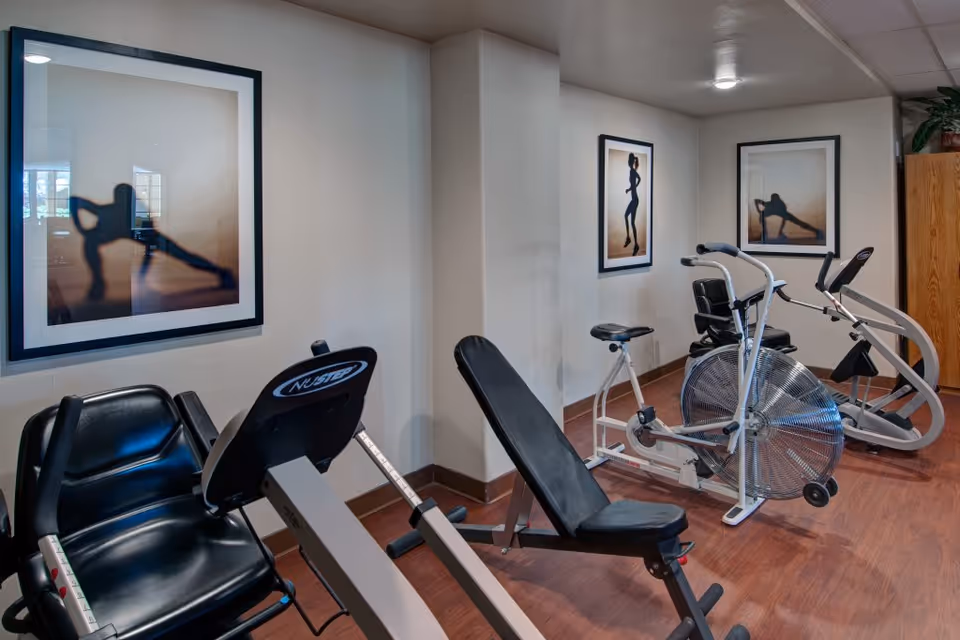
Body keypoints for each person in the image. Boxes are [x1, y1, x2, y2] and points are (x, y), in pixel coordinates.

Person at [69, 183, 235, 301]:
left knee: (185, 256)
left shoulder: (139, 217)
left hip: (141, 234)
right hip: (115, 233)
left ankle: (221, 272)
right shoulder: (108, 212)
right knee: (90, 242)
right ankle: (98, 281)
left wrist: (142, 275)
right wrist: (81, 229)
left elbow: (150, 246)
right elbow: (74, 201)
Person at [753, 193, 824, 242]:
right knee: (762, 217)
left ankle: (817, 231)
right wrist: (759, 210)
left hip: (783, 213)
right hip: (771, 213)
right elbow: (756, 200)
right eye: (773, 200)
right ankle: (764, 234)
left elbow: (784, 219)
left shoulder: (781, 205)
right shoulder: (769, 204)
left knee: (799, 223)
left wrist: (781, 231)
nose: (774, 201)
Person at [623, 153, 642, 256]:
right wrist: (629, 189)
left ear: (630, 162)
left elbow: (638, 180)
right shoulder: (633, 171)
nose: (628, 162)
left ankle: (629, 239)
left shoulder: (632, 171)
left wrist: (632, 188)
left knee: (627, 218)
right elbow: (637, 181)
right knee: (631, 222)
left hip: (635, 199)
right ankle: (635, 244)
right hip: (635, 199)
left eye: (628, 161)